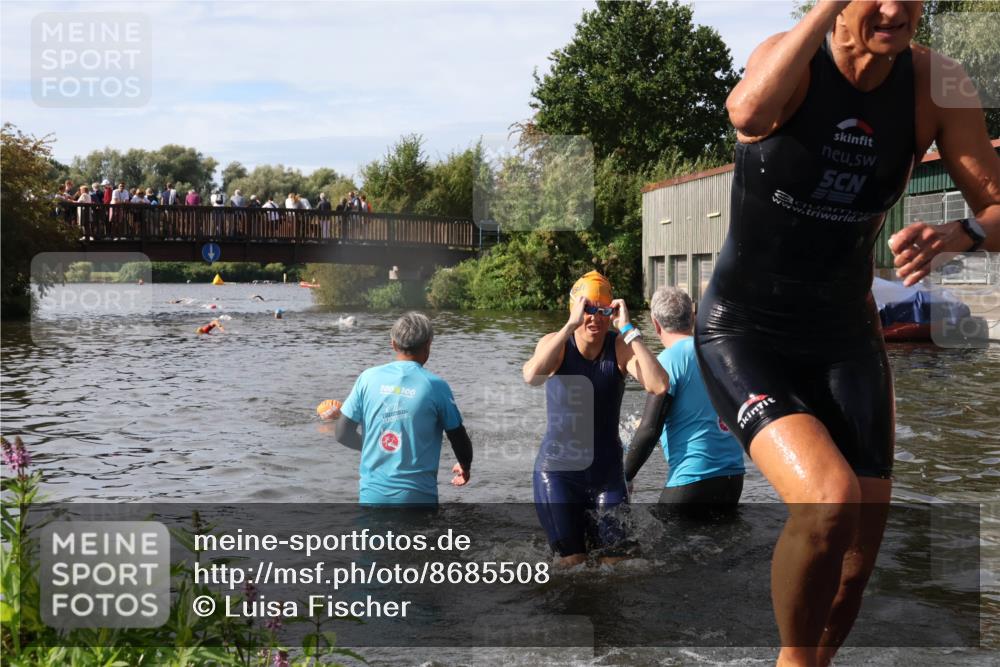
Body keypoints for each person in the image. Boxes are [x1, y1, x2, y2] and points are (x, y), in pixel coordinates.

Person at [698, 2, 1000, 664]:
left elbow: (995, 206)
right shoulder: (791, 57)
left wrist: (962, 234)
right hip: (744, 329)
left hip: (843, 333)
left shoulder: (936, 84)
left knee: (856, 560)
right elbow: (747, 114)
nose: (895, 9)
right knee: (827, 500)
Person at [522, 271, 668, 566]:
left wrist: (628, 328)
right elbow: (531, 377)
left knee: (617, 565)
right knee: (572, 562)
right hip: (559, 473)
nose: (595, 319)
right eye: (588, 310)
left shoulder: (620, 347)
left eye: (603, 311)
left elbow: (659, 385)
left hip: (606, 474)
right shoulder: (557, 344)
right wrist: (568, 327)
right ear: (576, 309)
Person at [327, 312, 473, 505]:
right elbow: (458, 438)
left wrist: (379, 447)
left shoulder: (367, 378)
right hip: (418, 498)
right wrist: (465, 465)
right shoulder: (436, 386)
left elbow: (342, 434)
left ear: (393, 344)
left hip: (372, 496)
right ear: (428, 344)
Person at [624, 287, 745, 513]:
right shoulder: (718, 351)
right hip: (733, 478)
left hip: (692, 480)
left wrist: (624, 477)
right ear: (693, 316)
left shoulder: (668, 361)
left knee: (658, 545)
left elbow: (650, 430)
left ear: (655, 323)